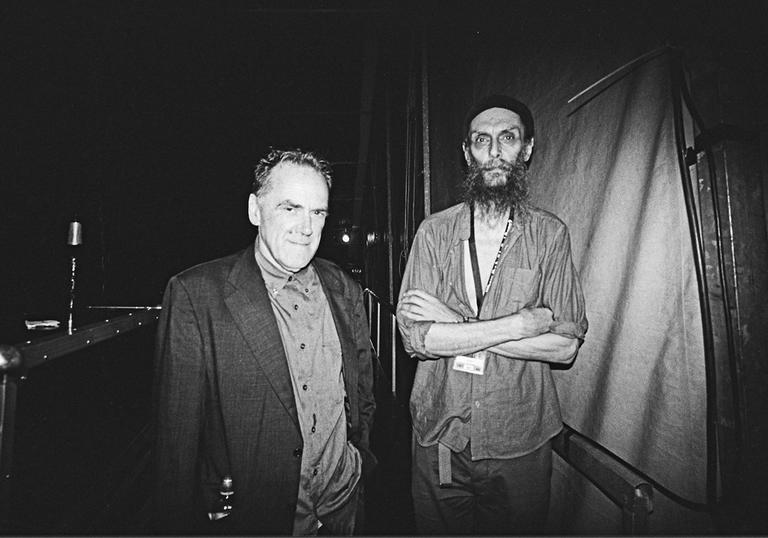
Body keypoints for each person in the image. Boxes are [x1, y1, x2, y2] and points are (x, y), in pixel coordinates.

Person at [152, 149, 376, 535]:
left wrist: (358, 461)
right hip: (256, 519)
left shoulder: (343, 288)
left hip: (342, 509)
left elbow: (362, 393)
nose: (306, 227)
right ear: (256, 210)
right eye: (291, 208)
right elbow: (177, 440)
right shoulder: (197, 294)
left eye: (317, 212)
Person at [396, 95, 588, 535]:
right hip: (441, 436)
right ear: (468, 153)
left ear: (528, 148)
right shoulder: (435, 232)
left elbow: (564, 346)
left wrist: (455, 323)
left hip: (519, 440)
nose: (495, 151)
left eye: (508, 138)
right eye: (482, 141)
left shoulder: (549, 234)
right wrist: (519, 325)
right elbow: (416, 338)